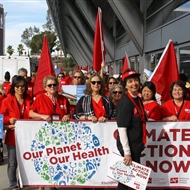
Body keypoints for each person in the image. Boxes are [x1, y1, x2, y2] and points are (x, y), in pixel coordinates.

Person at [116, 69, 146, 190]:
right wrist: (127, 152)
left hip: (136, 144)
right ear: (125, 85)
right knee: (126, 179)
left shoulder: (138, 99)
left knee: (131, 179)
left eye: (136, 80)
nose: (134, 83)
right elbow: (122, 129)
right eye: (130, 81)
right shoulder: (125, 102)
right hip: (129, 146)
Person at [0, 76, 31, 190]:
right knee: (13, 163)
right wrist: (9, 120)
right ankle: (13, 185)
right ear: (13, 87)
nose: (20, 88)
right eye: (17, 86)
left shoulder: (29, 99)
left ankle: (22, 182)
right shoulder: (7, 101)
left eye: (22, 86)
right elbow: (1, 117)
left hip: (27, 136)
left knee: (26, 162)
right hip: (13, 136)